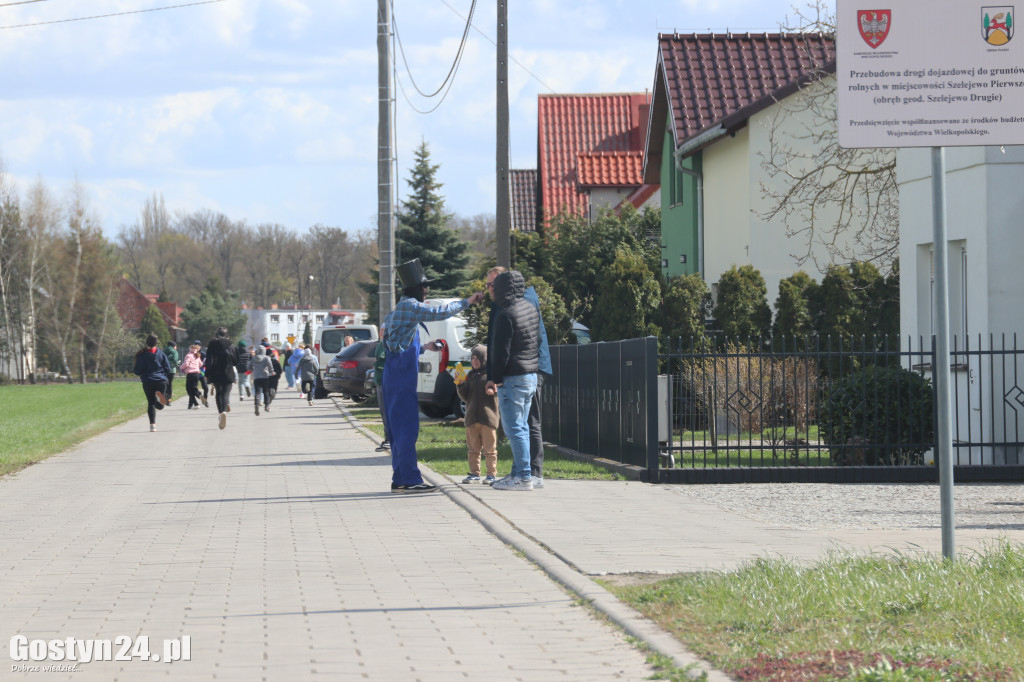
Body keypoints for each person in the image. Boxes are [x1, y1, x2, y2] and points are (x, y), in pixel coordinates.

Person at [382, 258, 486, 493]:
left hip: (395, 378)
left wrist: (425, 347)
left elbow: (397, 344)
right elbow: (439, 312)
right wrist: (467, 301)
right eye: (424, 287)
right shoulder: (409, 306)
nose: (426, 291)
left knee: (399, 430)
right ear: (416, 289)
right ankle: (409, 480)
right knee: (407, 429)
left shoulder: (398, 311)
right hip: (400, 380)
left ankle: (400, 478)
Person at [486, 266, 553, 488]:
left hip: (514, 376)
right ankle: (522, 473)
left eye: (493, 285)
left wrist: (495, 377)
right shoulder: (529, 307)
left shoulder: (507, 312)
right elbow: (537, 342)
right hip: (530, 373)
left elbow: (501, 351)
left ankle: (525, 475)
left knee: (517, 427)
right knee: (523, 425)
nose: (491, 290)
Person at [456, 344, 499, 484]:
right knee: (473, 449)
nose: (475, 361)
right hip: (471, 419)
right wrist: (460, 384)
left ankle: (491, 474)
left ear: (485, 359)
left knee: (490, 449)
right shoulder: (470, 375)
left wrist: (493, 392)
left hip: (488, 419)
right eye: (473, 358)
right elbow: (465, 397)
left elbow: (497, 391)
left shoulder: (491, 376)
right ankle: (474, 473)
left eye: (478, 358)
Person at [133, 334, 172, 432]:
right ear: (156, 343)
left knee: (151, 403)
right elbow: (168, 368)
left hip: (148, 381)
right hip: (161, 381)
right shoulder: (161, 354)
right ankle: (160, 399)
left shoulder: (142, 355)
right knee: (160, 406)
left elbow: (137, 370)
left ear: (146, 342)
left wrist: (143, 372)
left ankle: (152, 425)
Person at [205, 327, 239, 429]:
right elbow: (236, 360)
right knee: (226, 393)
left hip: (216, 373)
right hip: (228, 372)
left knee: (218, 393)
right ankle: (224, 411)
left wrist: (207, 374)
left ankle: (220, 413)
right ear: (227, 335)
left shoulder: (212, 345)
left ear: (216, 335)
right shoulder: (231, 345)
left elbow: (209, 361)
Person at [250, 345, 275, 415]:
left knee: (257, 392)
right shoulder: (267, 358)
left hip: (256, 377)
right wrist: (271, 371)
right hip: (265, 376)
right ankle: (267, 406)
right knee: (266, 391)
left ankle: (257, 404)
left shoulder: (254, 358)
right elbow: (270, 366)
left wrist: (253, 370)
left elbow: (249, 366)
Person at [180, 343, 206, 409]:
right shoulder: (197, 355)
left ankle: (197, 401)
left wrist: (181, 367)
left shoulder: (188, 355)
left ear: (190, 349)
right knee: (194, 387)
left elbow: (186, 364)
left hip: (190, 374)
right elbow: (201, 364)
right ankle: (198, 397)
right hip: (197, 373)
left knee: (189, 390)